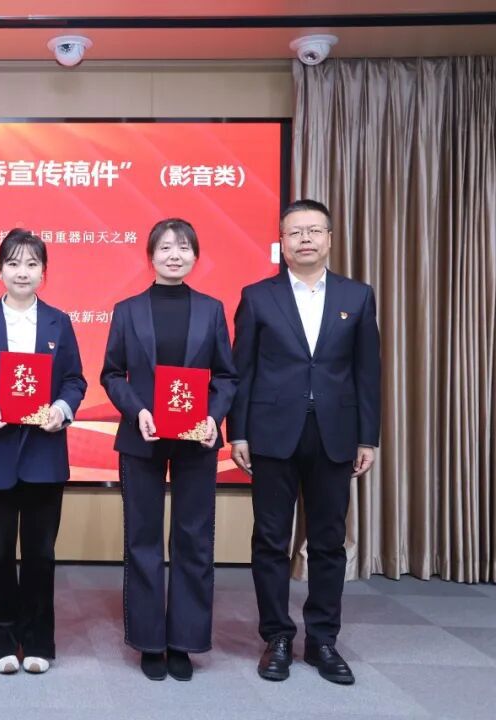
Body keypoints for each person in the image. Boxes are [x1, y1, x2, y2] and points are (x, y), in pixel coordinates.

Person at [228, 199, 380, 685]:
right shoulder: (258, 296)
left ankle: (322, 640)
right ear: (282, 242)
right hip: (272, 433)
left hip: (335, 434)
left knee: (329, 541)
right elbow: (242, 370)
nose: (305, 239)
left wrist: (368, 437)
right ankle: (276, 637)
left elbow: (367, 373)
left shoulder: (358, 296)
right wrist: (238, 432)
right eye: (295, 232)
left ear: (330, 239)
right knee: (271, 540)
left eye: (314, 230)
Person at [100, 218, 237, 681]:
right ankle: (149, 640)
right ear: (151, 256)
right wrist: (137, 409)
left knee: (193, 538)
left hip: (197, 439)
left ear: (195, 256)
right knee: (142, 539)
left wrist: (213, 416)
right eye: (164, 248)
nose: (174, 255)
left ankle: (184, 640)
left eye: (183, 248)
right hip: (143, 436)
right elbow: (112, 374)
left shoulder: (212, 310)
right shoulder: (127, 310)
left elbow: (226, 375)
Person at [0, 229, 87, 675]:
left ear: (43, 271)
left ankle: (37, 641)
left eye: (32, 264)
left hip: (43, 454)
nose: (22, 272)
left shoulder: (58, 322)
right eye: (13, 263)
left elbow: (75, 380)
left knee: (40, 554)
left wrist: (62, 408)